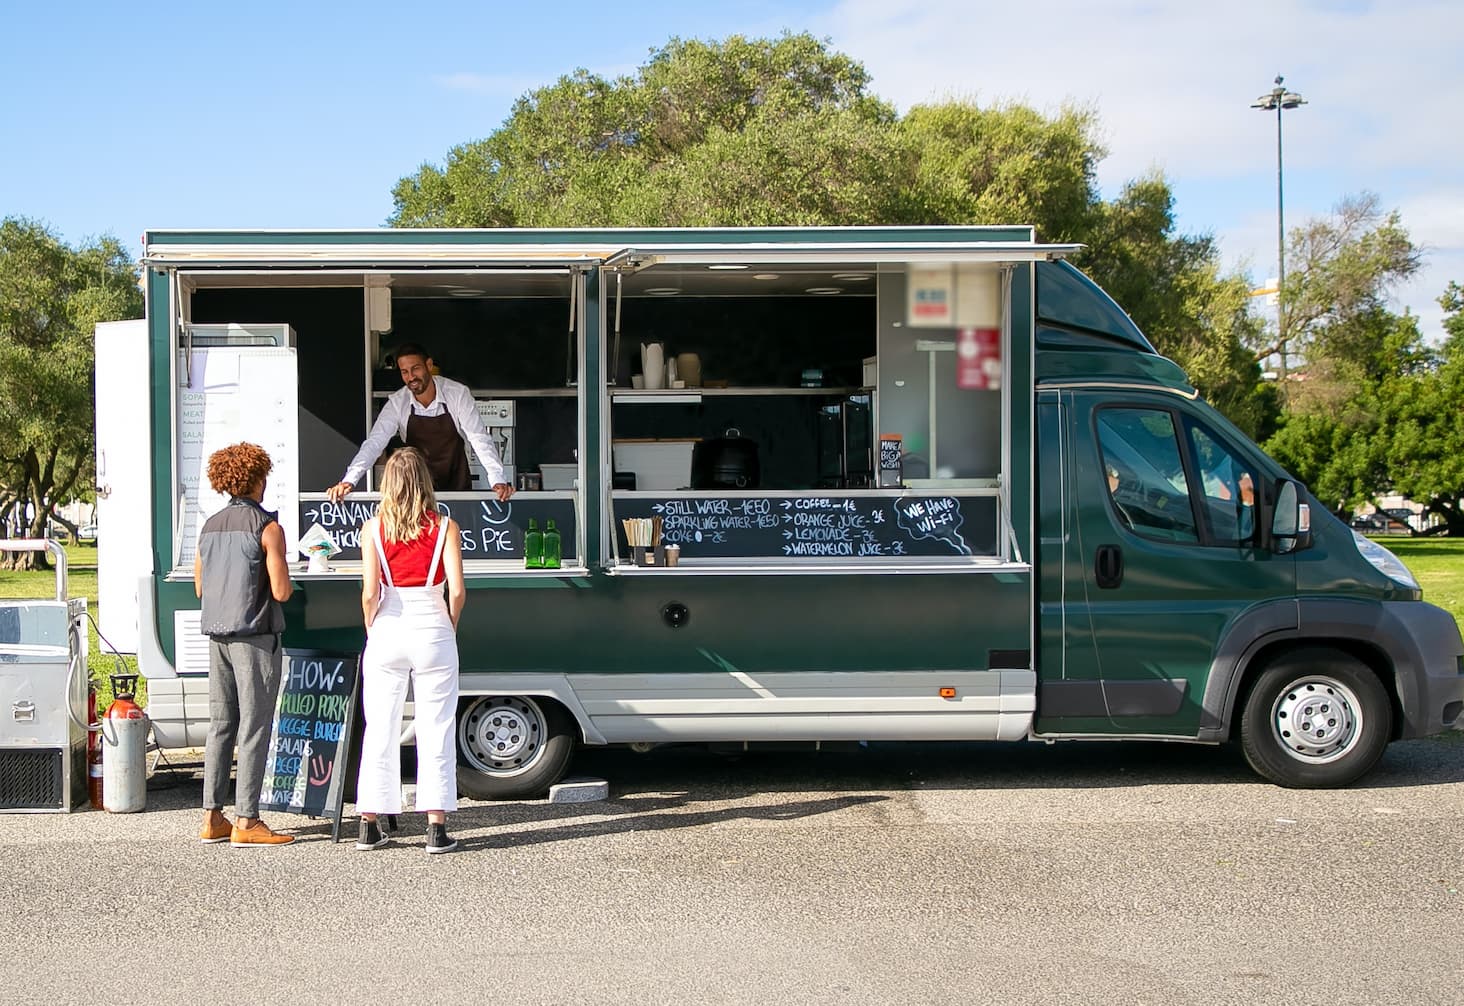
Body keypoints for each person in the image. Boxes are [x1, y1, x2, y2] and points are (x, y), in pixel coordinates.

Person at [354, 447, 466, 854]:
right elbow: (457, 590)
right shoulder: (446, 527)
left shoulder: (372, 529)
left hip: (388, 626)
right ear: (425, 481)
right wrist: (449, 625)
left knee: (380, 726)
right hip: (433, 625)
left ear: (388, 483)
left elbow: (370, 593)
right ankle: (435, 827)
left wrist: (372, 626)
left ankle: (369, 822)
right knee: (437, 726)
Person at [193, 442, 296, 848]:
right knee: (254, 725)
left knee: (221, 725)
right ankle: (247, 820)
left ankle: (212, 817)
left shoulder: (209, 526)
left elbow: (201, 587)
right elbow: (282, 591)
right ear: (257, 479)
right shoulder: (267, 528)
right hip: (254, 638)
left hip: (217, 637)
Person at [327, 343, 514, 503]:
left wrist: (497, 479)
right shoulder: (397, 403)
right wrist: (349, 480)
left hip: (457, 487)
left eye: (415, 368)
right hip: (416, 492)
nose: (411, 377)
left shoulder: (457, 394)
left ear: (429, 365)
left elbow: (479, 438)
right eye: (405, 372)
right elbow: (375, 443)